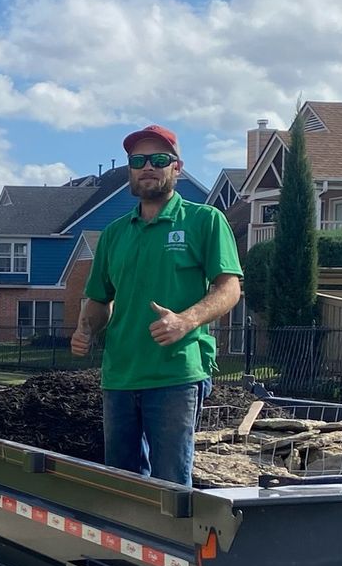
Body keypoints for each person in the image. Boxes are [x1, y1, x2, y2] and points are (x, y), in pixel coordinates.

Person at [70, 125, 244, 485]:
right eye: (138, 160)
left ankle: (171, 544)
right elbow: (100, 299)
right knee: (122, 483)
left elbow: (229, 289)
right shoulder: (115, 233)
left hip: (175, 375)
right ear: (131, 170)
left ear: (176, 168)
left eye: (159, 159)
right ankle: (128, 543)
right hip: (119, 375)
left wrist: (186, 320)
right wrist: (85, 328)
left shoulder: (204, 221)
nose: (148, 166)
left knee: (170, 486)